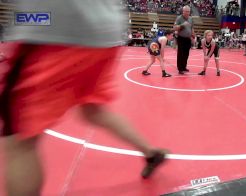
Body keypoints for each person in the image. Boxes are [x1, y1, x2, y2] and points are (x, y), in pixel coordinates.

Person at [0, 1, 168, 195]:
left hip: (52, 27)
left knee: (20, 139)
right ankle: (151, 153)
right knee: (93, 108)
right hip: (107, 29)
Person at [173, 5, 195, 74]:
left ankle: (184, 67)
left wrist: (193, 35)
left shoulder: (191, 18)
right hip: (181, 38)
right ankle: (180, 68)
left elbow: (192, 27)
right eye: (186, 11)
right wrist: (182, 25)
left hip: (188, 39)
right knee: (180, 54)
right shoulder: (179, 18)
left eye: (188, 11)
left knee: (186, 54)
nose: (187, 13)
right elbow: (175, 28)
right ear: (183, 11)